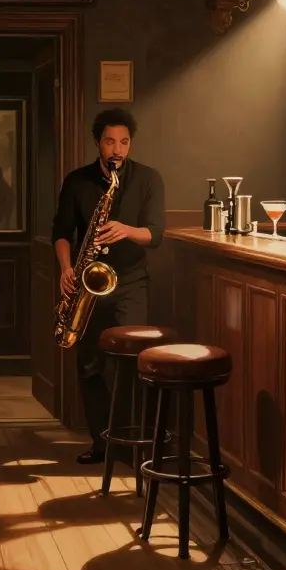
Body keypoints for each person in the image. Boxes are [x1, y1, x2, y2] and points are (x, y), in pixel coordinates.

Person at [51, 108, 165, 464]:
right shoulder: (77, 181)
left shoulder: (148, 179)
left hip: (130, 281)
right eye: (110, 141)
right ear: (97, 142)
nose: (118, 149)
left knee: (132, 363)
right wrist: (66, 269)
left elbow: (156, 234)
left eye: (124, 142)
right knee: (89, 365)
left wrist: (126, 230)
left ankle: (133, 447)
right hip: (89, 283)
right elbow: (60, 232)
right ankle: (101, 444)